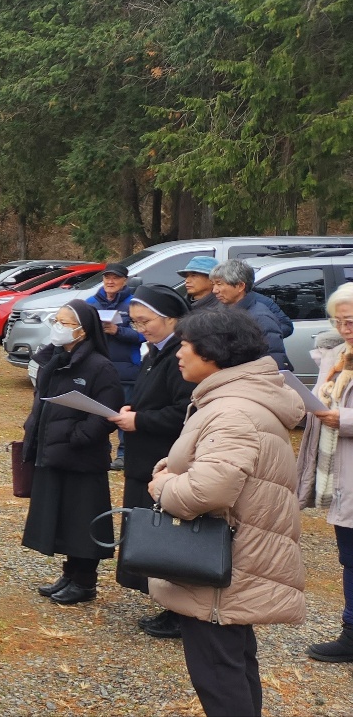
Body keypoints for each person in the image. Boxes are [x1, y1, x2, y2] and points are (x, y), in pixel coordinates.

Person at [152, 306, 305, 717]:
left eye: (186, 345)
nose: (178, 353)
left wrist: (165, 485)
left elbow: (209, 490)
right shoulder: (237, 402)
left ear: (214, 352)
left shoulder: (232, 410)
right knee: (233, 664)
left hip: (223, 564)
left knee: (218, 674)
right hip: (239, 556)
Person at [106, 284, 195, 638]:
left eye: (146, 321)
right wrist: (133, 409)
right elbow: (151, 397)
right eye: (135, 321)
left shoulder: (180, 355)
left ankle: (179, 610)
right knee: (149, 534)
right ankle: (167, 603)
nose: (140, 327)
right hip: (145, 459)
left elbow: (183, 411)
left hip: (165, 459)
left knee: (168, 539)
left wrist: (139, 420)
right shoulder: (155, 351)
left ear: (171, 319)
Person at [20, 300, 122, 607]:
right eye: (57, 321)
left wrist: (78, 437)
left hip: (81, 457)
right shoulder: (54, 359)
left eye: (65, 323)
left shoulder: (100, 367)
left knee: (83, 519)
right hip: (54, 451)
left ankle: (85, 581)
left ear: (82, 330)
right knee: (62, 516)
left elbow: (107, 413)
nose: (58, 327)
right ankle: (70, 574)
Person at [298, 281, 353, 663]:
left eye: (350, 319)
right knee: (349, 556)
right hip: (341, 473)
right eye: (339, 320)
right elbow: (319, 400)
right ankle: (351, 631)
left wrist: (344, 419)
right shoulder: (338, 356)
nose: (345, 326)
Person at [85, 263, 142, 470]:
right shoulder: (90, 303)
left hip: (128, 369)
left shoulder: (134, 305)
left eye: (115, 278)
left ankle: (124, 455)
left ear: (125, 281)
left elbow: (144, 335)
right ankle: (101, 452)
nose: (110, 281)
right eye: (106, 277)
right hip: (98, 368)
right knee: (98, 412)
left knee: (124, 412)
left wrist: (118, 331)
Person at [209, 259, 291, 369]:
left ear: (240, 286)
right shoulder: (220, 311)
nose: (214, 290)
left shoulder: (260, 317)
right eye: (213, 284)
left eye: (219, 284)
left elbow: (274, 361)